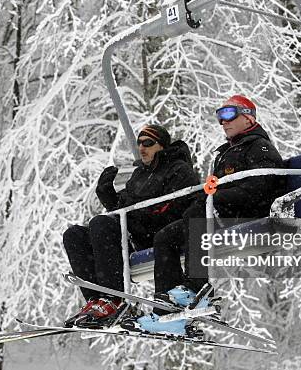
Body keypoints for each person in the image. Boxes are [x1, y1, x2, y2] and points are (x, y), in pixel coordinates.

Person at [130, 94, 285, 335]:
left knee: (197, 213)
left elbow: (261, 187)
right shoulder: (226, 152)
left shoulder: (259, 147)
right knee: (165, 236)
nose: (223, 122)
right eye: (219, 116)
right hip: (221, 214)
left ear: (247, 116)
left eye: (228, 114)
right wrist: (209, 198)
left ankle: (197, 287)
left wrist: (215, 199)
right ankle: (167, 311)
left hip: (247, 214)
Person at [62, 124, 199, 328]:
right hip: (135, 230)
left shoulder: (179, 169)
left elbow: (177, 206)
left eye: (148, 143)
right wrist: (107, 195)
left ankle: (114, 299)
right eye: (139, 143)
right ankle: (96, 300)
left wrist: (139, 214)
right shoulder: (140, 175)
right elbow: (122, 208)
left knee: (101, 223)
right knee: (74, 234)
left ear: (161, 146)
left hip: (160, 233)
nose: (142, 148)